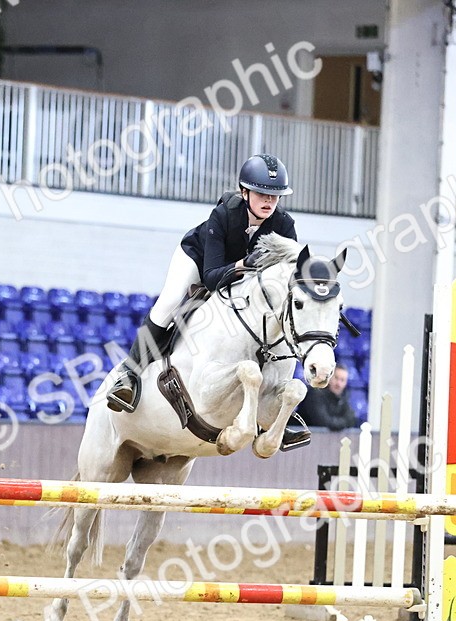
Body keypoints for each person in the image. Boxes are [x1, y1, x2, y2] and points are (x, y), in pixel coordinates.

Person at [107, 154, 307, 447]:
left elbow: (284, 276)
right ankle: (130, 374)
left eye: (275, 196)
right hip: (199, 261)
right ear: (245, 192)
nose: (269, 202)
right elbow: (211, 278)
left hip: (243, 279)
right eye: (262, 194)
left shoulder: (285, 225)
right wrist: (243, 264)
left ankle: (278, 413)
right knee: (169, 301)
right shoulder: (224, 215)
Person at [296, 364, 362, 432]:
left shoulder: (344, 397)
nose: (338, 384)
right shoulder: (315, 394)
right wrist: (344, 423)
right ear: (329, 378)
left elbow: (351, 419)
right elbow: (323, 422)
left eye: (342, 380)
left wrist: (341, 423)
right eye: (336, 378)